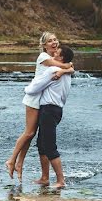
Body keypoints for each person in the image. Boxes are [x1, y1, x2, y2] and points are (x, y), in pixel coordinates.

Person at [6, 32, 74, 180]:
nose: (54, 42)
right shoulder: (44, 58)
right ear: (44, 45)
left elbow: (68, 67)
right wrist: (66, 68)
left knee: (32, 135)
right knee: (29, 133)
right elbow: (65, 65)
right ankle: (12, 160)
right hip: (33, 98)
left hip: (41, 99)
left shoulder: (56, 59)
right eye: (50, 41)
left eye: (55, 39)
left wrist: (65, 70)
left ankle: (20, 163)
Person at [22, 46, 75, 189]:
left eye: (57, 53)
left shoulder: (53, 70)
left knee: (50, 146)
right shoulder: (67, 74)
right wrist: (66, 69)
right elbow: (70, 69)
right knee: (41, 144)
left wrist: (25, 89)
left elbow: (33, 89)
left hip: (48, 110)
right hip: (57, 110)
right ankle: (44, 178)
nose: (54, 54)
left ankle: (60, 180)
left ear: (61, 58)